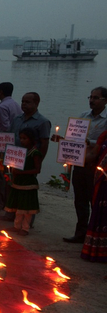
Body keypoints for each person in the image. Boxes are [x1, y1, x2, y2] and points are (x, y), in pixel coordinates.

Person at [54, 87, 107, 243]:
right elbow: (74, 139)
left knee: (96, 200)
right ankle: (81, 233)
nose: (91, 100)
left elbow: (103, 143)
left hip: (97, 166)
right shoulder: (83, 117)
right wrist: (62, 140)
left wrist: (88, 142)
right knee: (80, 200)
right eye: (90, 97)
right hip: (80, 162)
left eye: (96, 97)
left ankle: (94, 234)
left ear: (105, 101)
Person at [2, 92, 51, 222]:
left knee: (28, 191)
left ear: (36, 103)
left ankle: (27, 221)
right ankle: (11, 214)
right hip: (14, 158)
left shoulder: (42, 122)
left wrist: (38, 162)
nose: (24, 104)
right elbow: (11, 138)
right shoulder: (17, 119)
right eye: (23, 101)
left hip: (29, 161)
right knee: (11, 187)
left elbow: (44, 144)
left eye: (27, 102)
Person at [0, 82, 23, 216]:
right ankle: (8, 204)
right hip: (14, 145)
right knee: (9, 175)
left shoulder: (2, 106)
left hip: (2, 145)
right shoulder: (15, 104)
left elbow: (6, 127)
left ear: (1, 92)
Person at [4, 128, 42, 236]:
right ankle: (17, 226)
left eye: (24, 138)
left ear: (31, 139)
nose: (22, 140)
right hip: (19, 182)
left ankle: (25, 228)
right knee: (19, 205)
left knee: (27, 208)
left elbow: (37, 170)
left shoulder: (35, 153)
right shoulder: (21, 152)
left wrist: (21, 172)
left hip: (29, 183)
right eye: (20, 138)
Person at [82, 129, 107, 262]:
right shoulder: (104, 135)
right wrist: (76, 159)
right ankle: (96, 251)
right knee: (100, 215)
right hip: (103, 183)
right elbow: (94, 152)